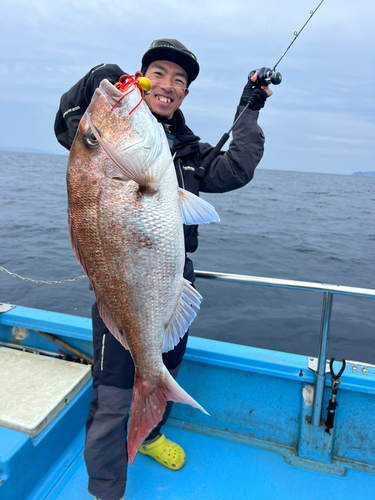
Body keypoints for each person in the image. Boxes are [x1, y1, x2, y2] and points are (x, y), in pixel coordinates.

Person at [54, 38, 272, 500]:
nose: (169, 85)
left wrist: (247, 112)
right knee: (114, 397)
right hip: (120, 286)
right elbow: (69, 121)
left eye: (180, 80)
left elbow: (237, 169)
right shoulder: (105, 136)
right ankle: (105, 490)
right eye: (159, 73)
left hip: (170, 280)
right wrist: (99, 78)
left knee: (164, 368)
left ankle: (150, 432)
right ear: (141, 79)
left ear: (185, 95)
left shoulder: (189, 154)